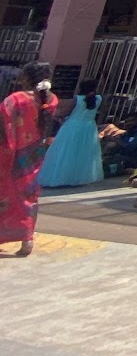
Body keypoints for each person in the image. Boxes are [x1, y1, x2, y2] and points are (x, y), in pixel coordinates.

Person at [1, 62, 58, 258]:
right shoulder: (52, 100)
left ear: (27, 78)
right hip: (34, 156)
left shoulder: (15, 99)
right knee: (29, 196)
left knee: (5, 194)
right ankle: (27, 238)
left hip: (11, 155)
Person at [38, 77, 103, 188]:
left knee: (64, 152)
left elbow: (64, 112)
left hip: (72, 127)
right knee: (82, 153)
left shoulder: (77, 99)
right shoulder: (99, 99)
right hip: (89, 127)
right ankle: (76, 178)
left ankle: (60, 177)